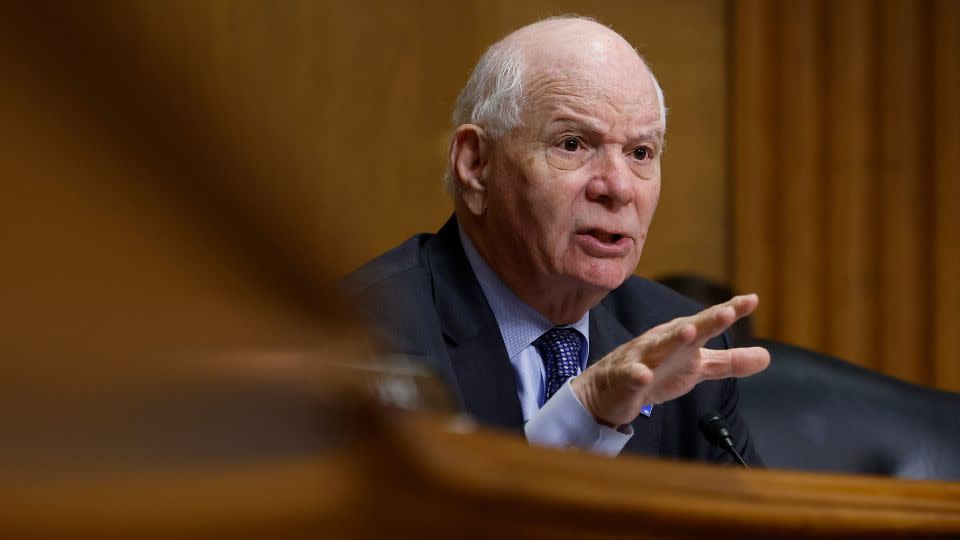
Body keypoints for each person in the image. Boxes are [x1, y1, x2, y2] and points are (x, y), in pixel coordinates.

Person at [346, 16, 770, 464]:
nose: (619, 187)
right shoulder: (363, 337)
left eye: (640, 153)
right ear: (475, 165)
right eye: (573, 144)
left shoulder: (681, 341)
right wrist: (582, 414)